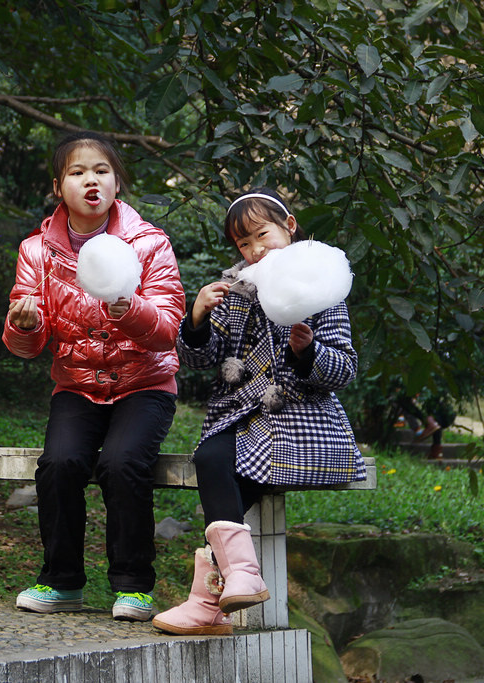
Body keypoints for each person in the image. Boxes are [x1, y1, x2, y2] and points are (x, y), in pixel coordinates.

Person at [152, 188, 365, 636]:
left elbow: (344, 368)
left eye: (261, 234)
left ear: (289, 226)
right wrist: (196, 320)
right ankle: (235, 584)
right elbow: (199, 358)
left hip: (297, 418)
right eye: (243, 244)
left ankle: (208, 601)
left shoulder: (318, 286)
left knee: (225, 469)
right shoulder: (236, 290)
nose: (254, 249)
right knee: (213, 459)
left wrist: (308, 353)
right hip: (240, 414)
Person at [3, 131, 185, 622]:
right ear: (58, 186)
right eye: (78, 172)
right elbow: (27, 343)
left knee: (122, 464)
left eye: (101, 170)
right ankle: (61, 581)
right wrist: (25, 324)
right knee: (60, 464)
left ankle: (133, 585)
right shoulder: (37, 251)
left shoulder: (149, 244)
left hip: (143, 384)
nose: (91, 180)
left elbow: (168, 331)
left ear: (117, 183)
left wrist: (130, 310)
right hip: (78, 385)